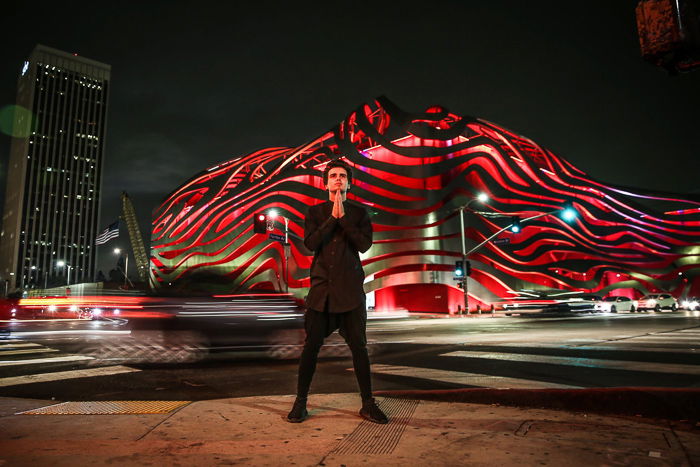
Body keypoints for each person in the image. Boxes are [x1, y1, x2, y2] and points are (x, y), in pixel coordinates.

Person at [287, 159, 388, 424]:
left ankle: (368, 403)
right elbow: (310, 244)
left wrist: (345, 220)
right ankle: (300, 402)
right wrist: (333, 218)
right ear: (326, 182)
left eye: (343, 176)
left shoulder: (359, 214)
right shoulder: (315, 213)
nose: (338, 179)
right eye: (333, 175)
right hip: (321, 293)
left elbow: (364, 245)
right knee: (310, 348)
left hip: (351, 293)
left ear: (349, 183)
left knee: (359, 349)